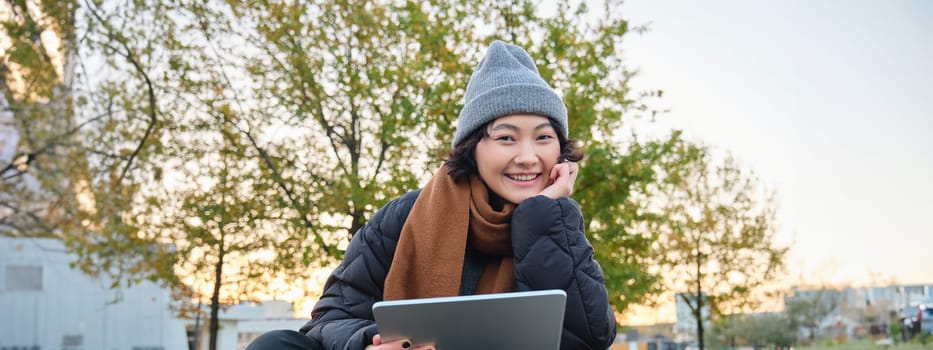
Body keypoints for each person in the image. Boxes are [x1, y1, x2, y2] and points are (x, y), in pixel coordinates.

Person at [247, 40, 617, 350]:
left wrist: (543, 215)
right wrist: (369, 341)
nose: (526, 156)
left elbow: (589, 337)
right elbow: (333, 316)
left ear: (560, 152)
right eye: (506, 137)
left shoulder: (557, 222)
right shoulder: (405, 214)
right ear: (473, 148)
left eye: (543, 137)